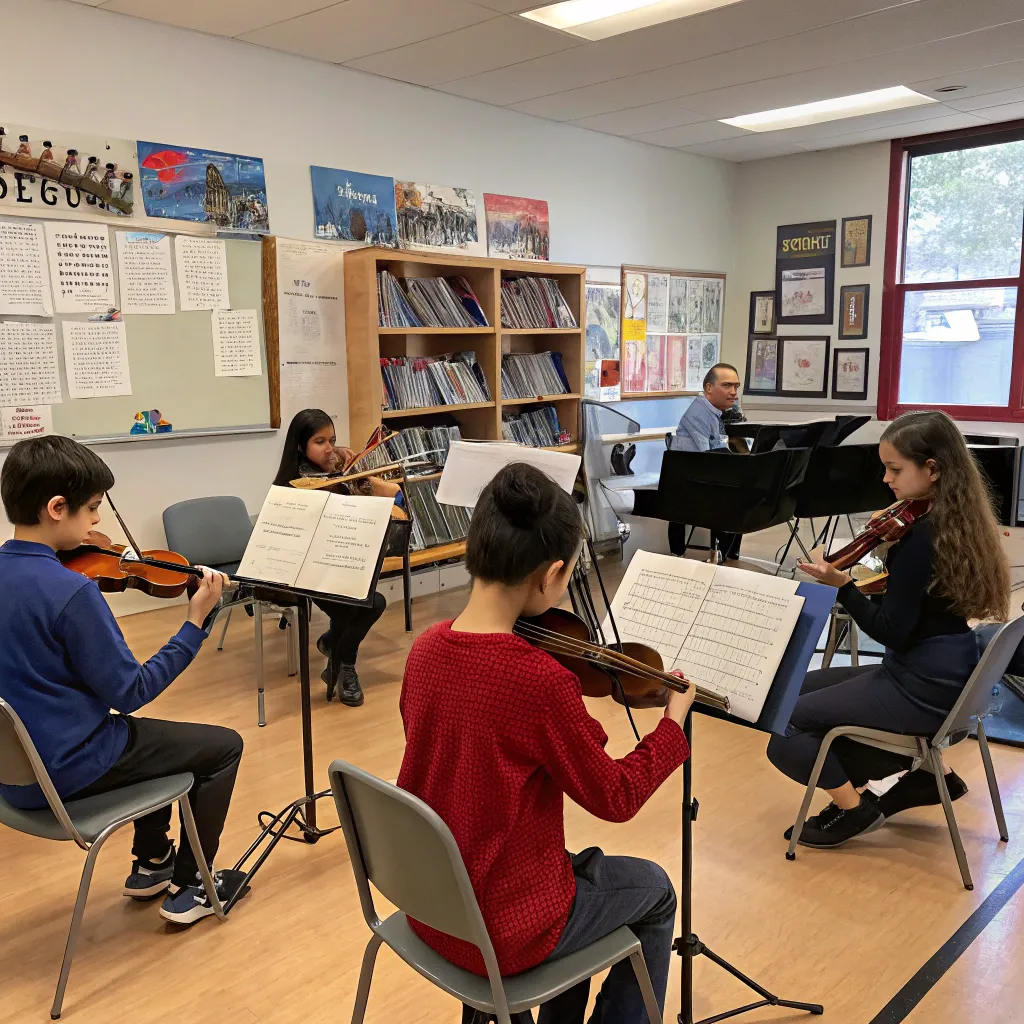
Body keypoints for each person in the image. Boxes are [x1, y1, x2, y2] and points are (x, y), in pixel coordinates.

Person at [397, 462, 694, 1024]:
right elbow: (615, 796)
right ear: (552, 573)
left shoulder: (427, 649)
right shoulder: (537, 681)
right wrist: (671, 727)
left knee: (583, 872)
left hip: (435, 905)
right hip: (504, 927)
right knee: (654, 891)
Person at [0, 436, 245, 925]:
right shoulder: (71, 593)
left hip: (16, 777)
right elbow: (133, 691)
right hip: (68, 772)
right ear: (56, 508)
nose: (97, 524)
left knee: (148, 741)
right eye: (92, 509)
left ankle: (152, 863)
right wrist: (195, 622)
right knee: (222, 747)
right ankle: (192, 886)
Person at [767, 410, 1010, 848]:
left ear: (932, 469)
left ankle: (854, 808)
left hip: (920, 686)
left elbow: (890, 631)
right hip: (949, 673)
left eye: (895, 469)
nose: (885, 479)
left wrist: (843, 586)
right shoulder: (955, 520)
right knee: (795, 690)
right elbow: (918, 607)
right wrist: (885, 560)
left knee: (784, 722)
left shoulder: (921, 540)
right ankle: (930, 774)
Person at [272, 408, 401, 707]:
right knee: (366, 605)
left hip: (343, 566)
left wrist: (353, 469)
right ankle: (344, 663)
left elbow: (393, 494)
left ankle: (337, 657)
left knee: (364, 603)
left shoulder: (339, 475)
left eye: (332, 440)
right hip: (308, 574)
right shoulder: (292, 484)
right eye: (320, 442)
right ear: (300, 445)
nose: (329, 448)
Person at [668, 362, 742, 561]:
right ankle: (724, 554)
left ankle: (727, 553)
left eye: (736, 386)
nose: (733, 392)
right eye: (727, 385)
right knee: (735, 494)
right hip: (688, 483)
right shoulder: (698, 413)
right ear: (709, 388)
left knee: (741, 489)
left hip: (703, 477)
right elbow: (709, 455)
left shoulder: (718, 412)